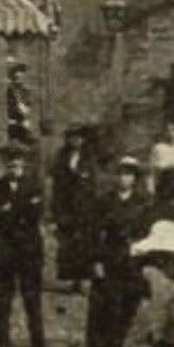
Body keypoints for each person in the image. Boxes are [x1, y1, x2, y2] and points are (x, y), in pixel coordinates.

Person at [0, 143, 52, 347]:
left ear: (23, 163)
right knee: (3, 304)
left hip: (29, 252)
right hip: (4, 253)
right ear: (4, 164)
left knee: (33, 304)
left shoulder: (36, 186)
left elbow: (34, 215)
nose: (13, 166)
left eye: (17, 162)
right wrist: (19, 210)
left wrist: (11, 210)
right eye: (9, 163)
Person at [86, 157, 152, 347]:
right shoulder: (104, 201)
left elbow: (150, 231)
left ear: (135, 178)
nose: (125, 178)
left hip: (134, 260)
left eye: (129, 174)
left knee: (130, 304)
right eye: (122, 173)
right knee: (108, 304)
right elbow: (95, 232)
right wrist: (96, 260)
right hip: (111, 257)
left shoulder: (144, 201)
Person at [50, 124, 100, 293]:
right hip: (66, 208)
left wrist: (92, 206)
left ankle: (84, 280)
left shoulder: (89, 159)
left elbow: (93, 185)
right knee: (68, 243)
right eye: (72, 137)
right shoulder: (62, 157)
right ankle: (72, 279)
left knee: (84, 244)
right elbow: (57, 184)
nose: (75, 141)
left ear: (83, 140)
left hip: (84, 208)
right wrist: (55, 212)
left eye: (78, 138)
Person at [7, 62, 35, 145]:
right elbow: (11, 107)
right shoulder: (10, 90)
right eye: (16, 78)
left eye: (21, 77)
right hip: (13, 123)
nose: (19, 79)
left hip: (24, 122)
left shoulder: (25, 91)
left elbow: (28, 106)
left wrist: (25, 112)